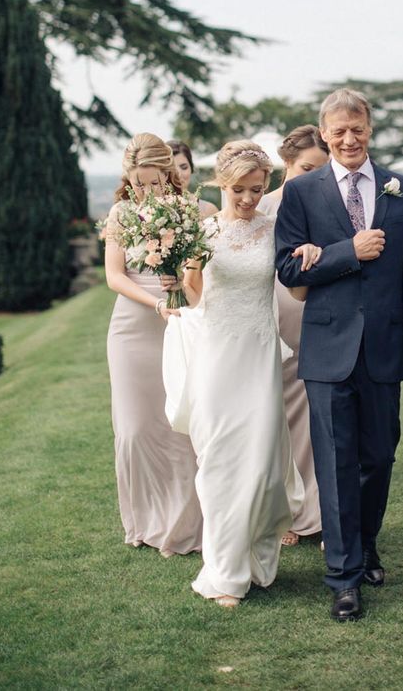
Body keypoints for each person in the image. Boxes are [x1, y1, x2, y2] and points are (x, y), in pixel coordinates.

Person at [274, 89, 403, 622]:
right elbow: (290, 271)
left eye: (357, 129)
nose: (348, 139)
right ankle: (343, 577)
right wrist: (351, 251)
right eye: (338, 130)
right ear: (323, 133)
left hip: (386, 349)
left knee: (379, 457)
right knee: (337, 463)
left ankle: (365, 546)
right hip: (326, 350)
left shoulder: (402, 190)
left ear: (370, 129)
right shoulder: (301, 193)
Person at [164, 140, 319, 607]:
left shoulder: (276, 229)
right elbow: (195, 296)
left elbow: (294, 275)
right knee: (219, 462)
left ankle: (255, 554)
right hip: (216, 356)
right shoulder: (204, 232)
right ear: (222, 184)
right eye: (239, 191)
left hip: (258, 356)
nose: (249, 199)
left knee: (263, 467)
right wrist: (175, 270)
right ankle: (226, 572)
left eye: (257, 189)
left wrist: (310, 250)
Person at [104, 133, 202, 557]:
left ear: (168, 172)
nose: (146, 190)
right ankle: (144, 521)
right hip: (132, 327)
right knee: (133, 431)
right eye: (138, 182)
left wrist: (179, 282)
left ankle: (182, 526)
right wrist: (155, 300)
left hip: (178, 323)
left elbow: (199, 272)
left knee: (178, 428)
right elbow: (115, 276)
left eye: (154, 181)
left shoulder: (189, 212)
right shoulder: (120, 213)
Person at [259, 125, 329, 545]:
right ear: (287, 163)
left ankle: (314, 515)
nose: (311, 177)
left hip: (311, 318)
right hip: (268, 317)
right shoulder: (262, 206)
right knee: (275, 419)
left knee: (312, 420)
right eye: (305, 167)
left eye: (320, 169)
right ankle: (283, 510)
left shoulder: (324, 207)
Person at [166, 139, 219, 219]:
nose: (178, 174)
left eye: (184, 167)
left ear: (191, 168)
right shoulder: (154, 210)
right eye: (172, 169)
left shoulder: (210, 210)